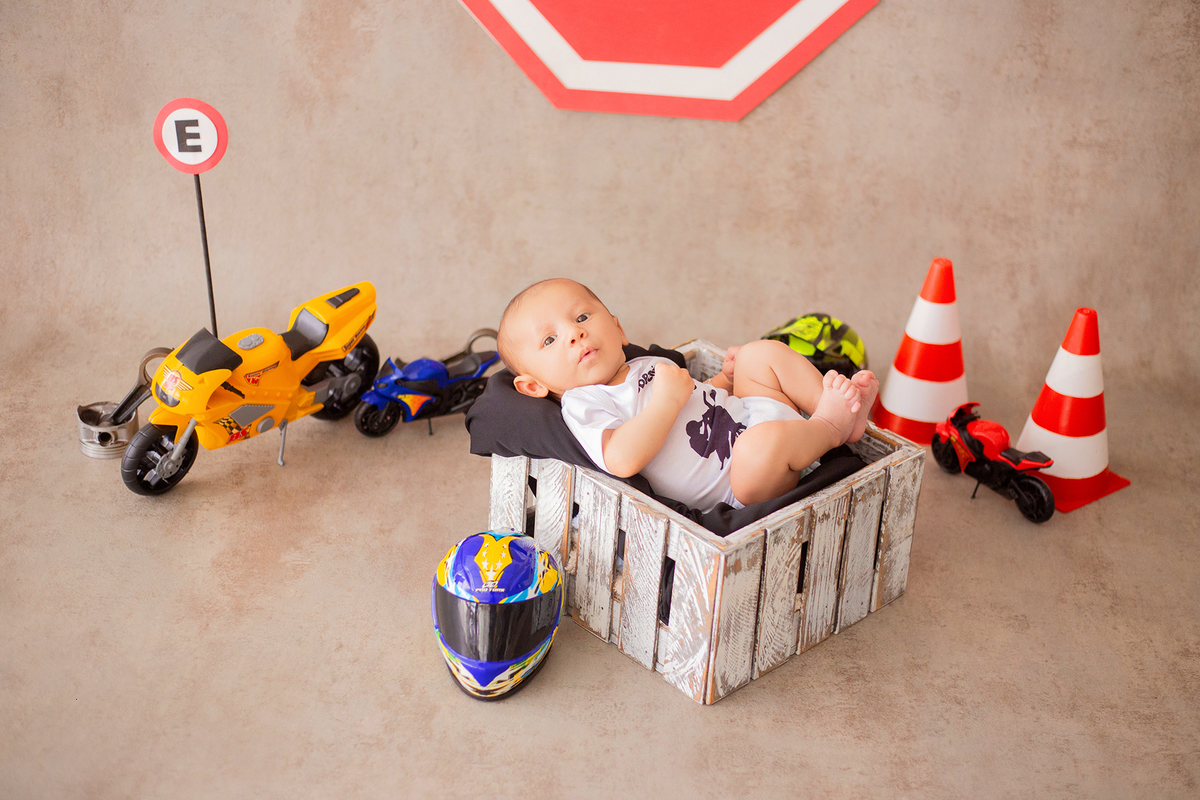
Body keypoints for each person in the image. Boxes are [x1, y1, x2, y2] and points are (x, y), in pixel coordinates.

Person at [496, 278, 879, 513]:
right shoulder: (583, 405)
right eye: (550, 340)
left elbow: (695, 404)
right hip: (742, 481)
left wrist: (726, 382)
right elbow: (622, 457)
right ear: (533, 386)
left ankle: (845, 412)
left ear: (618, 329)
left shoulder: (644, 364)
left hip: (751, 420)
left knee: (758, 353)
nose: (574, 334)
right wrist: (667, 399)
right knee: (759, 446)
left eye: (582, 318)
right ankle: (830, 426)